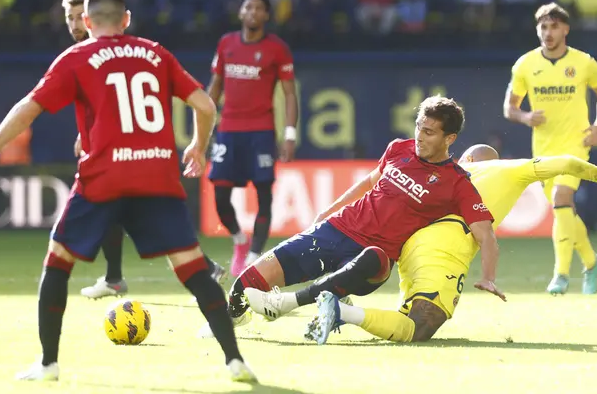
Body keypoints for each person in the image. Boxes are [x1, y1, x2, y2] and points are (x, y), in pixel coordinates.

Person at [0, 0, 256, 383]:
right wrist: (199, 148)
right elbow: (205, 104)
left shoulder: (78, 57)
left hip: (103, 178)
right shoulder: (156, 53)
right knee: (194, 270)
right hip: (158, 179)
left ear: (86, 21)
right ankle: (235, 361)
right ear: (126, 19)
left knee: (58, 261)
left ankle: (48, 364)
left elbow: (29, 108)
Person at [199, 96, 500, 337]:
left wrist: (488, 277)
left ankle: (288, 303)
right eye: (419, 127)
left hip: (374, 259)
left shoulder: (457, 182)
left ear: (450, 138)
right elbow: (369, 181)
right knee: (246, 282)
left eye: (429, 132)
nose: (419, 136)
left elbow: (485, 234)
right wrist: (329, 210)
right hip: (336, 230)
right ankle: (231, 321)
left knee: (374, 256)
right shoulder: (399, 148)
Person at [306, 144, 597, 344]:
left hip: (410, 246)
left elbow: (378, 189)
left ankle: (339, 297)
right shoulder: (508, 167)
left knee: (408, 313)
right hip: (447, 247)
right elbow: (567, 163)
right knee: (419, 328)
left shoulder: (447, 170)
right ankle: (339, 310)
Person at [57, 0, 225, 300]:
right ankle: (116, 277)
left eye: (77, 16)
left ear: (91, 18)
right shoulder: (86, 53)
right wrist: (88, 133)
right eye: (68, 18)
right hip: (109, 151)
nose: (74, 25)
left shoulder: (116, 52)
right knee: (122, 214)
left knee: (129, 213)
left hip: (132, 152)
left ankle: (193, 269)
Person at [503, 2, 597, 295]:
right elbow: (510, 108)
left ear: (565, 29)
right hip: (543, 148)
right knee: (563, 210)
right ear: (537, 30)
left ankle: (560, 275)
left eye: (554, 26)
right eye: (543, 27)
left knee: (562, 199)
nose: (548, 32)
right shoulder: (525, 65)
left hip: (576, 145)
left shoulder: (583, 62)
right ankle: (591, 262)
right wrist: (526, 116)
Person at [207, 0, 299, 277]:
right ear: (241, 12)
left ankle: (255, 255)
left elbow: (289, 93)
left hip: (260, 132)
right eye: (249, 7)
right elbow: (215, 86)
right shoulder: (226, 44)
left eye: (259, 8)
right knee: (220, 195)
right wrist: (205, 125)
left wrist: (289, 135)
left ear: (266, 15)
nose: (254, 12)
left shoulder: (277, 48)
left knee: (263, 195)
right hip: (228, 131)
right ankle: (239, 241)